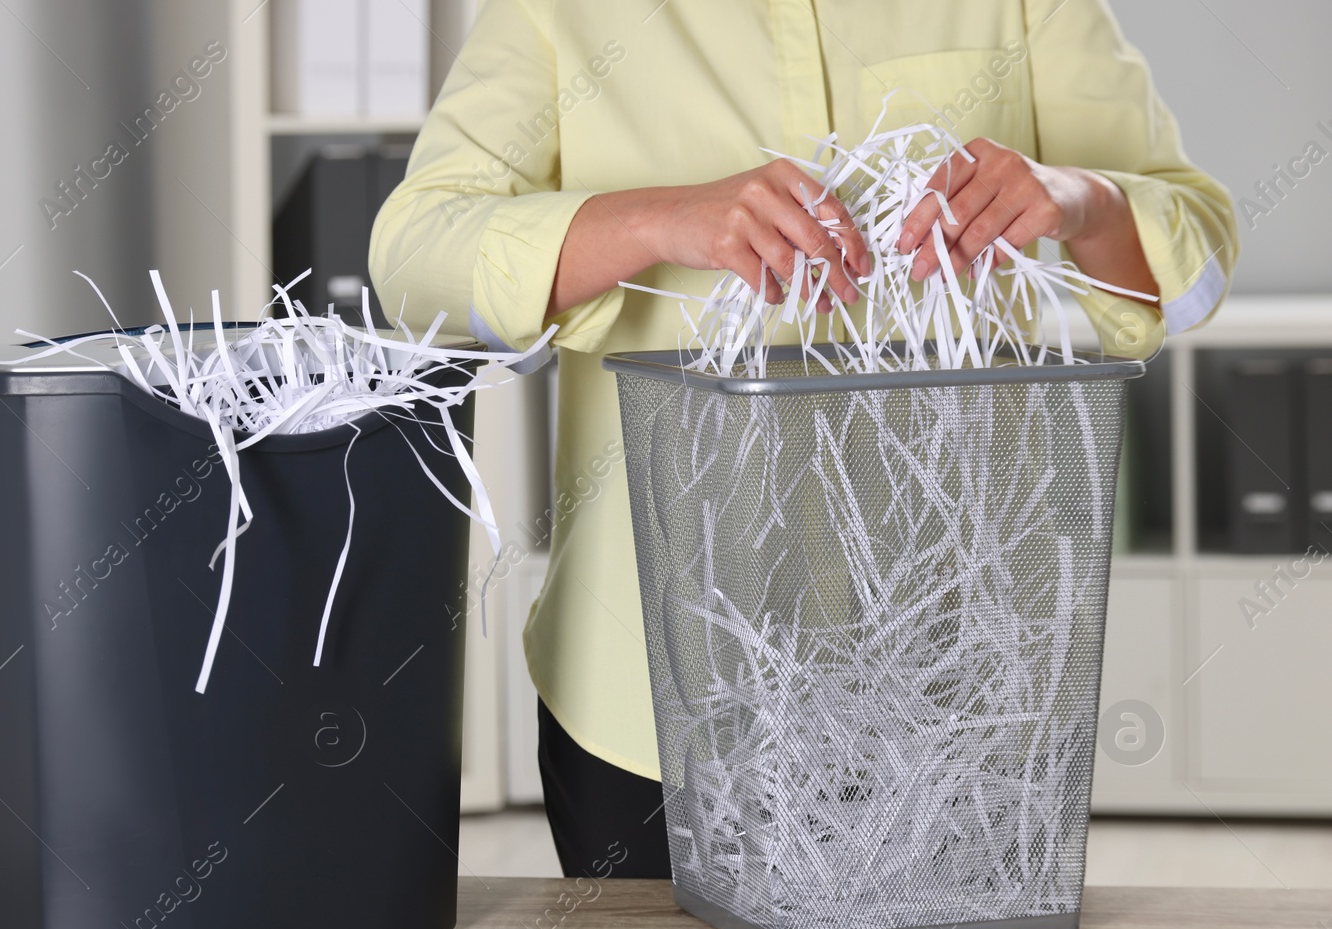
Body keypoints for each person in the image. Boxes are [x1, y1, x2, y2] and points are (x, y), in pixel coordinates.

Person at [370, 0, 1236, 878]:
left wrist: (1079, 198)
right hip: (654, 688)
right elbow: (411, 256)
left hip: (957, 683)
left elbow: (1192, 249)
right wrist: (657, 220)